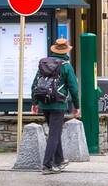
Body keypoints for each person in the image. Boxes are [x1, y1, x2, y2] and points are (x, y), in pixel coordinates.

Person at [32, 37, 79, 174]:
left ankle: (60, 159)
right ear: (66, 51)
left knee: (55, 132)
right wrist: (76, 105)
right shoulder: (66, 66)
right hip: (58, 104)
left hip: (44, 103)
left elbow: (35, 84)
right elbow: (73, 88)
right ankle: (47, 165)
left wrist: (35, 103)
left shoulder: (44, 64)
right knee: (54, 133)